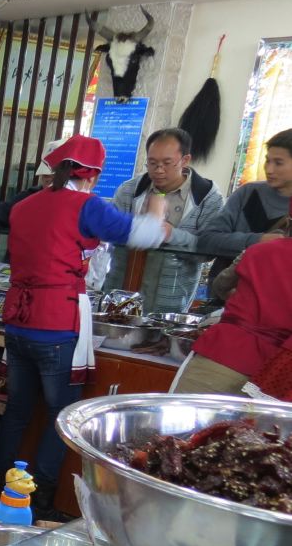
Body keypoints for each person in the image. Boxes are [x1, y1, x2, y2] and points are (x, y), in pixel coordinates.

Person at [0, 135, 169, 517]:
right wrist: (157, 210)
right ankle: (37, 499)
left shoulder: (24, 206)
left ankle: (1, 490)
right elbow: (146, 236)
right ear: (92, 175)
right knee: (61, 415)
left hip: (18, 321)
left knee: (17, 411)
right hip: (57, 321)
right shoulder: (86, 206)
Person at [102, 128, 223, 314]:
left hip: (171, 301)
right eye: (152, 163)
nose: (158, 170)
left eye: (167, 163)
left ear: (185, 160)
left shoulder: (208, 198)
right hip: (120, 294)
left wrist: (170, 234)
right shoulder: (128, 190)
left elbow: (208, 251)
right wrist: (137, 229)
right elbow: (109, 235)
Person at [171, 216, 292, 396]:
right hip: (280, 374)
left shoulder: (260, 250)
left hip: (226, 355)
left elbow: (221, 286)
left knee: (186, 422)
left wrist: (246, 299)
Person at [197, 128, 292, 297]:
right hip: (225, 295)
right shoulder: (247, 193)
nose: (269, 169)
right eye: (267, 161)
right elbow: (207, 239)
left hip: (274, 302)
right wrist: (257, 240)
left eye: (278, 163)